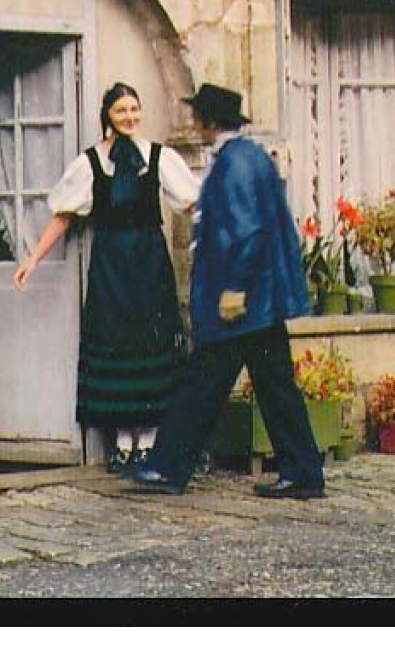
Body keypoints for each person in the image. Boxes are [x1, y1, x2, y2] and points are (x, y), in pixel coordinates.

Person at [127, 82, 327, 500]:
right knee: (274, 387)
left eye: (198, 116)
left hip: (241, 305)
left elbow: (247, 231)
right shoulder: (248, 156)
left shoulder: (235, 163)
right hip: (260, 303)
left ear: (209, 121)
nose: (193, 122)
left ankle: (168, 467)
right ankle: (303, 470)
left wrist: (234, 289)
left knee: (202, 383)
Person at [14, 82, 200, 471]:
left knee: (150, 342)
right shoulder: (91, 163)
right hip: (111, 265)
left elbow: (191, 203)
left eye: (134, 109)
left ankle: (146, 442)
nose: (129, 117)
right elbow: (64, 215)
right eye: (121, 111)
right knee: (115, 341)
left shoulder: (159, 157)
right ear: (108, 117)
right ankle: (120, 443)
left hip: (149, 263)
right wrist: (33, 258)